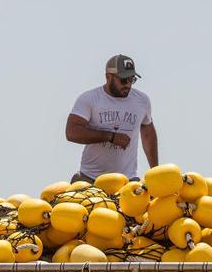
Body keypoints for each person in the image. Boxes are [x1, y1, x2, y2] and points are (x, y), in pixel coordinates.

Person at [66, 54, 158, 183]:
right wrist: (111, 137)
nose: (128, 85)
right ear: (108, 77)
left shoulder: (142, 101)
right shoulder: (90, 99)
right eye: (123, 80)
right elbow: (72, 132)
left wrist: (156, 171)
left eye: (132, 79)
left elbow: (148, 134)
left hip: (127, 180)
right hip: (91, 178)